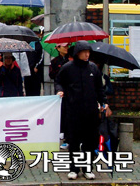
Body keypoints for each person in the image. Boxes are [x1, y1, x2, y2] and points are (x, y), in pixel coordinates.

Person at [55, 41, 111, 181]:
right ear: (77, 53)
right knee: (73, 141)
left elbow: (99, 88)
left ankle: (87, 168)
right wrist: (60, 90)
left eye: (88, 52)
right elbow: (58, 81)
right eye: (84, 52)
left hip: (91, 112)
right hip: (73, 111)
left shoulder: (93, 68)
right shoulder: (68, 68)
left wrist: (103, 102)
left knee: (90, 141)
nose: (87, 54)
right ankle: (73, 169)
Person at [49, 42, 72, 150]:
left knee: (69, 113)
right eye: (64, 46)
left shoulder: (71, 60)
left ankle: (68, 137)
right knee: (61, 112)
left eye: (68, 46)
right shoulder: (54, 61)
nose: (66, 48)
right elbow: (51, 75)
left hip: (71, 90)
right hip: (60, 90)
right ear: (58, 48)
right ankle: (61, 132)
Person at [24, 27, 44, 96]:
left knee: (36, 89)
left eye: (37, 33)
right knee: (28, 88)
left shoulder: (39, 44)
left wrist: (37, 67)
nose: (36, 35)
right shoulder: (27, 43)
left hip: (35, 71)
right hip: (27, 70)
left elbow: (42, 57)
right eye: (34, 33)